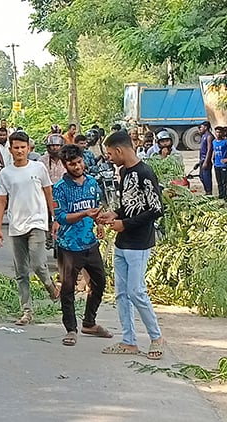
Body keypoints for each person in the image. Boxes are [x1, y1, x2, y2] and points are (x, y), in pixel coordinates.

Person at [97, 131, 165, 360]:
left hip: (139, 242)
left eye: (109, 153)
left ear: (119, 150)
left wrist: (125, 224)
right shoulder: (124, 172)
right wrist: (114, 214)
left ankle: (156, 337)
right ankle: (129, 341)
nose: (109, 158)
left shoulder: (145, 173)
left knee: (136, 292)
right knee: (122, 294)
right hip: (122, 242)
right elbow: (129, 204)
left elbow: (155, 210)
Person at [0, 131, 60, 326]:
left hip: (37, 222)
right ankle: (26, 311)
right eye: (16, 148)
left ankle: (50, 286)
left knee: (38, 264)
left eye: (23, 147)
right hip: (16, 226)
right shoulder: (6, 173)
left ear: (28, 148)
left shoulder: (39, 168)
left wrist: (54, 217)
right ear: (11, 149)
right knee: (21, 271)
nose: (20, 151)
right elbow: (1, 201)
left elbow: (48, 192)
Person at [53, 144, 112, 346]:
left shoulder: (93, 183)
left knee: (100, 282)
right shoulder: (60, 189)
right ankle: (71, 329)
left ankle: (89, 322)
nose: (77, 166)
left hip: (90, 242)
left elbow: (95, 208)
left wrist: (99, 223)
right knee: (68, 288)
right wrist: (83, 214)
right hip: (69, 245)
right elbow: (60, 217)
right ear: (65, 165)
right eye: (72, 164)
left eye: (79, 162)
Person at [198, 121, 215, 195]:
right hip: (202, 159)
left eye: (201, 127)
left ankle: (209, 192)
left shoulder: (209, 136)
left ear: (206, 127)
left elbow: (209, 149)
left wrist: (206, 161)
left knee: (206, 177)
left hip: (206, 160)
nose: (200, 129)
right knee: (201, 176)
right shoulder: (203, 136)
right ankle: (206, 191)